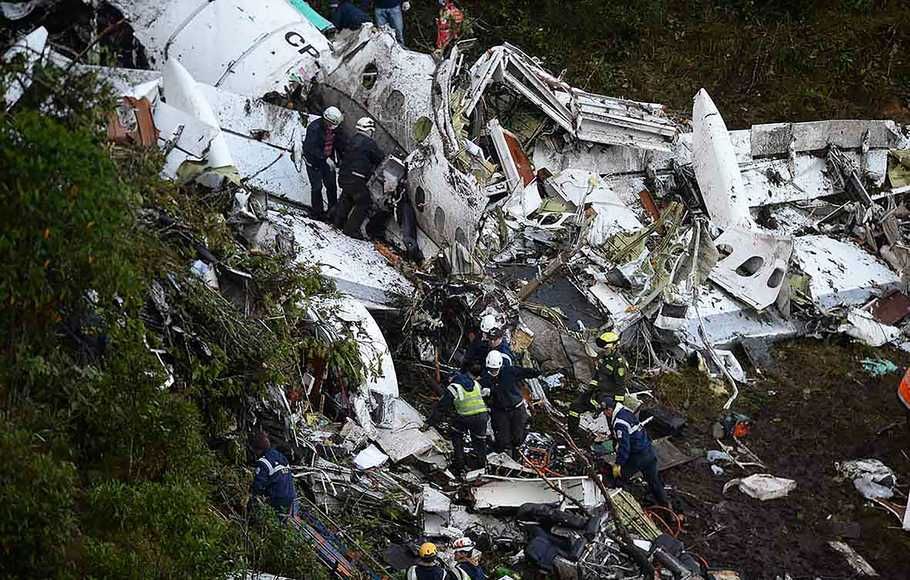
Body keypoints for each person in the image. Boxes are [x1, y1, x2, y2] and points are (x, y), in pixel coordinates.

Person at [600, 394, 670, 508]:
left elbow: (624, 447)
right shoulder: (625, 411)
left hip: (638, 456)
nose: (604, 414)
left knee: (619, 478)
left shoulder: (619, 423)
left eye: (605, 412)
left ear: (610, 409)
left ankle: (619, 504)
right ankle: (667, 508)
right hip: (649, 451)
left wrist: (618, 464)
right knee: (655, 483)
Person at [424, 365, 489, 476]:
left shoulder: (454, 387)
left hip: (466, 416)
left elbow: (441, 408)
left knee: (456, 434)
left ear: (450, 379)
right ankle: (483, 467)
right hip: (482, 416)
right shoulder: (476, 384)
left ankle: (460, 465)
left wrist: (429, 423)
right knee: (479, 441)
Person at [332, 117, 385, 239]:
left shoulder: (353, 139)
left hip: (344, 176)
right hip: (356, 179)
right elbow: (379, 157)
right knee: (364, 202)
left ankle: (337, 222)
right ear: (369, 130)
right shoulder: (369, 143)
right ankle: (350, 230)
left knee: (347, 197)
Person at [482, 350, 540, 459]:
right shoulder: (485, 377)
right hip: (499, 412)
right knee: (503, 440)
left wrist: (538, 372)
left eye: (495, 369)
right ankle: (507, 461)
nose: (493, 371)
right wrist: (486, 393)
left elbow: (527, 372)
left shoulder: (510, 371)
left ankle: (518, 458)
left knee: (518, 438)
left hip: (517, 409)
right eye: (491, 369)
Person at [568, 331, 627, 437]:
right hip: (596, 392)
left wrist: (617, 405)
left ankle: (616, 441)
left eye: (607, 349)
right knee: (575, 406)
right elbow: (597, 375)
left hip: (609, 396)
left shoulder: (619, 363)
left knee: (612, 421)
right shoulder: (602, 357)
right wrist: (590, 388)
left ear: (614, 347)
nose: (604, 351)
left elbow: (620, 386)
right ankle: (573, 434)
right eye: (603, 349)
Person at [303, 107, 345, 220]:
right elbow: (310, 147)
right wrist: (325, 158)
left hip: (328, 162)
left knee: (331, 186)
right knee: (317, 187)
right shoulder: (314, 128)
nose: (332, 127)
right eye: (331, 124)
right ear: (326, 120)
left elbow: (339, 143)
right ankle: (318, 213)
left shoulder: (335, 129)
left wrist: (341, 159)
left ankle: (332, 212)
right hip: (314, 162)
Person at [250, 431, 299, 519]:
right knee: (281, 521)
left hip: (277, 498)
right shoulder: (280, 456)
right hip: (290, 496)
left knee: (267, 517)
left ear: (258, 449)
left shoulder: (263, 462)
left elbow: (258, 485)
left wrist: (252, 495)